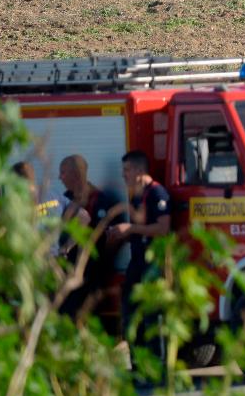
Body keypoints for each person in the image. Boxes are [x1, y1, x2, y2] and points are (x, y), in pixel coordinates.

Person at [107, 150, 170, 360]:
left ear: (140, 170)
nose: (123, 175)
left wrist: (131, 229)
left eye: (127, 170)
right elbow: (138, 228)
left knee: (151, 317)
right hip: (137, 262)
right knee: (131, 314)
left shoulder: (157, 194)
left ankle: (154, 367)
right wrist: (121, 234)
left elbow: (162, 228)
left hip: (153, 264)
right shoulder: (137, 195)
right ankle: (138, 366)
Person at [57, 154, 121, 318]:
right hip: (67, 273)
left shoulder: (100, 200)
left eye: (63, 173)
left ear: (76, 174)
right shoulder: (65, 199)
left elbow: (109, 239)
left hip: (90, 275)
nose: (59, 177)